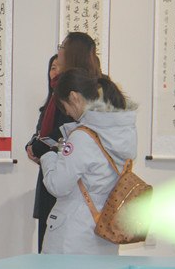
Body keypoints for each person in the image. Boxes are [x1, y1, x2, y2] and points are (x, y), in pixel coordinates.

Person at [31, 68, 138, 255]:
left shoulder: (83, 137)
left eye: (65, 106)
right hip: (105, 231)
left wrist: (48, 156)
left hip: (73, 235)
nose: (68, 113)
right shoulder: (125, 133)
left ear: (74, 97)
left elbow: (57, 185)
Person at [26, 32, 102, 252]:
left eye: (62, 46)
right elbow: (45, 129)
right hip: (57, 170)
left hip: (66, 176)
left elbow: (64, 134)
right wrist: (36, 146)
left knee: (57, 249)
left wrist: (43, 150)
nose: (59, 51)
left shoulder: (77, 88)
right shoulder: (64, 88)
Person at [24, 54, 66, 253]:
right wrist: (31, 145)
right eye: (52, 68)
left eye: (59, 67)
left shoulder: (66, 106)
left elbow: (59, 137)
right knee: (44, 233)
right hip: (46, 173)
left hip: (60, 173)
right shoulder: (48, 105)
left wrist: (40, 148)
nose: (54, 72)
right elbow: (40, 133)